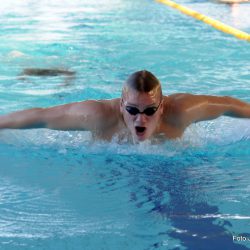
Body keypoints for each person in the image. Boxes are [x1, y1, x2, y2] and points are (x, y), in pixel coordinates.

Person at [0, 70, 250, 143]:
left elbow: (227, 104)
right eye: (132, 110)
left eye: (149, 110)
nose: (140, 119)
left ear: (162, 107)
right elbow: (42, 116)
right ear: (121, 106)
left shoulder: (181, 112)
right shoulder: (97, 116)